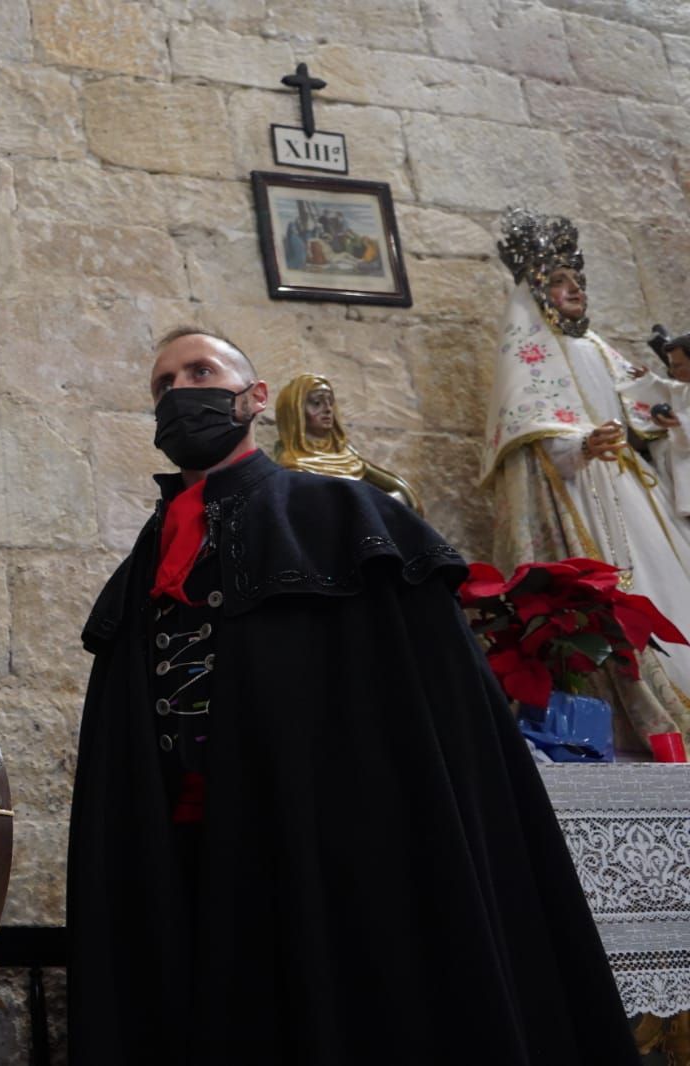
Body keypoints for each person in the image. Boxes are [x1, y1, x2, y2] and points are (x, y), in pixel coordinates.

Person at [67, 326, 639, 1065]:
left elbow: (433, 717)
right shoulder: (141, 563)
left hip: (336, 850)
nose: (180, 392)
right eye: (163, 385)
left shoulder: (348, 519)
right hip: (192, 858)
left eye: (200, 371)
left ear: (255, 397)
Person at [482, 208, 690, 744]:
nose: (574, 290)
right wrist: (579, 444)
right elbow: (530, 430)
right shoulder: (528, 354)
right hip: (584, 488)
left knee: (668, 584)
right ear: (536, 290)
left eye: (577, 281)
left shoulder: (595, 345)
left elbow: (645, 402)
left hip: (627, 485)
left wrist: (665, 416)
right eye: (559, 281)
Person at [271, 371, 421, 509]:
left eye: (330, 402)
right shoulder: (292, 466)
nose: (328, 409)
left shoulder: (348, 457)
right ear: (295, 412)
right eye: (317, 403)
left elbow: (403, 491)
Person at [617, 323, 690, 518]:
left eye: (677, 365)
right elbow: (667, 389)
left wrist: (681, 423)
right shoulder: (684, 388)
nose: (673, 371)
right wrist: (649, 380)